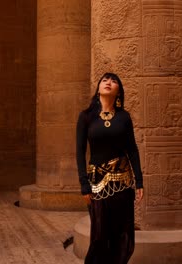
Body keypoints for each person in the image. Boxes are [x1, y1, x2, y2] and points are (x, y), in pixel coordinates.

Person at [76, 72, 144, 264]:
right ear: (98, 88)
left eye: (114, 81)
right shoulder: (86, 117)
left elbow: (132, 150)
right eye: (105, 80)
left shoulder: (124, 117)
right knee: (99, 236)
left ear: (119, 91)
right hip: (96, 185)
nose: (109, 82)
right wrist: (83, 184)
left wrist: (139, 180)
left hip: (123, 183)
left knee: (122, 235)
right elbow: (80, 152)